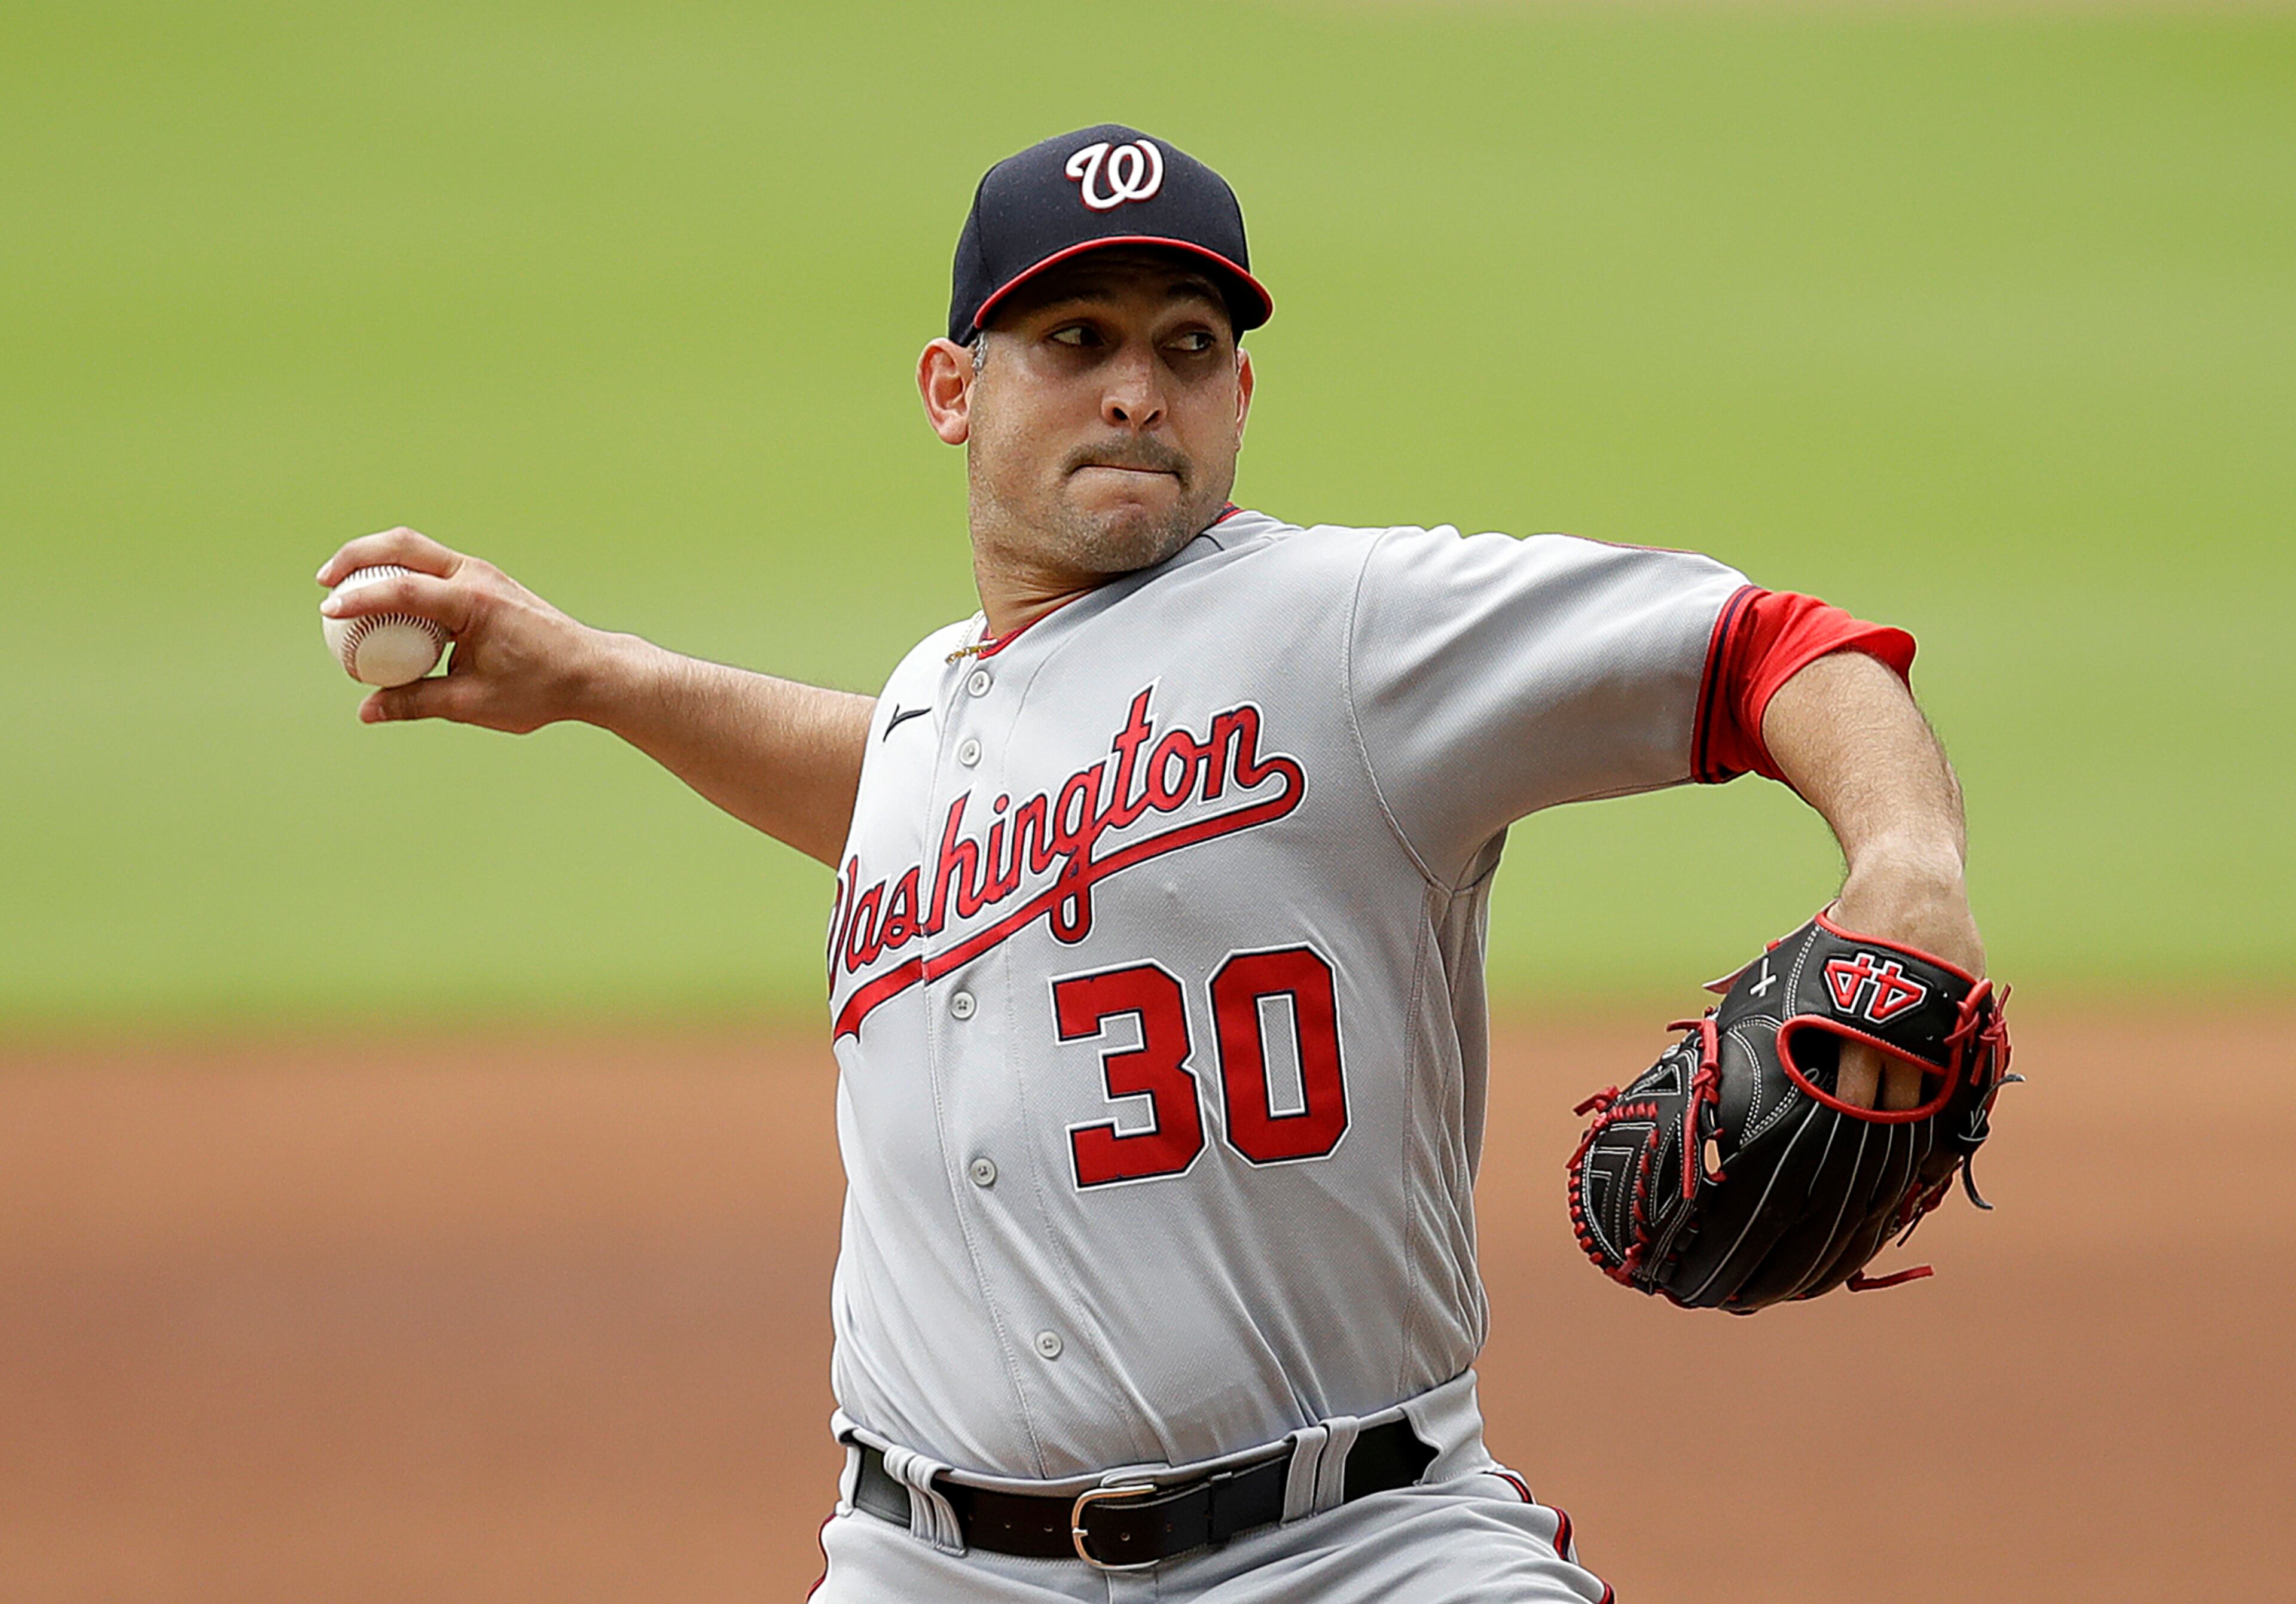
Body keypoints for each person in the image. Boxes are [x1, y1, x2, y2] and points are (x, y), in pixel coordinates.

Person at [317, 125, 1985, 1602]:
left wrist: (1905, 866)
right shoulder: (935, 711)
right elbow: (913, 805)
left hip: (1355, 1551)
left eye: (1188, 347)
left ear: (1241, 397)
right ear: (951, 390)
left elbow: (1786, 648)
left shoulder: (1348, 632)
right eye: (1076, 338)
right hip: (918, 1560)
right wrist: (599, 681)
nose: (1137, 387)